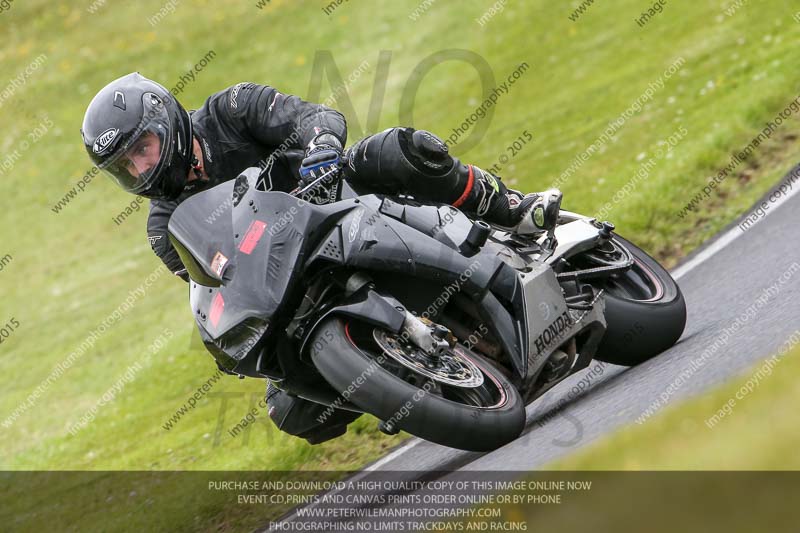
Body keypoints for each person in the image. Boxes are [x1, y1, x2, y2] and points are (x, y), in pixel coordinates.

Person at [81, 72, 562, 444]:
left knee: (401, 150)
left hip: (339, 200)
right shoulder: (164, 229)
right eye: (126, 165)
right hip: (290, 276)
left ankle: (511, 210)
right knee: (290, 410)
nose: (141, 168)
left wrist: (323, 146)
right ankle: (401, 380)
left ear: (166, 120)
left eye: (143, 149)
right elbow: (215, 282)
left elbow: (316, 117)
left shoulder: (231, 108)